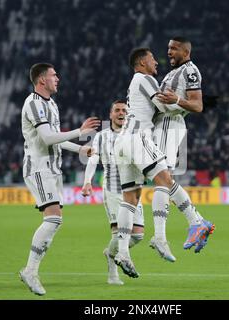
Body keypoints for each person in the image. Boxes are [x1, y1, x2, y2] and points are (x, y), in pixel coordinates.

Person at [113, 48, 213, 278]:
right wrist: (189, 103)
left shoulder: (137, 80)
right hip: (138, 137)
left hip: (122, 142)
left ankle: (123, 253)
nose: (156, 62)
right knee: (164, 179)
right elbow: (164, 106)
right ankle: (163, 235)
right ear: (140, 63)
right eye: (151, 59)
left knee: (130, 198)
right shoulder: (145, 78)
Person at [19, 62, 100, 295]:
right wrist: (80, 132)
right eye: (54, 75)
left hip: (53, 169)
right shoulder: (34, 103)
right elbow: (46, 139)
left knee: (55, 221)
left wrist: (79, 149)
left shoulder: (51, 104)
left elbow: (55, 137)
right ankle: (30, 271)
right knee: (53, 219)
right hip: (38, 167)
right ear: (42, 80)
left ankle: (31, 270)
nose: (58, 78)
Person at [154, 37, 215, 252]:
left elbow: (198, 105)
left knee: (161, 178)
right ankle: (197, 222)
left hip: (169, 126)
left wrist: (177, 101)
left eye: (174, 48)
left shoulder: (190, 71)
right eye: (168, 47)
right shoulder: (173, 72)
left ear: (186, 51)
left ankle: (168, 233)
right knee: (163, 178)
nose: (169, 52)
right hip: (162, 126)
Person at [82, 100, 144, 285]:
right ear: (110, 115)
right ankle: (112, 275)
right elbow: (93, 159)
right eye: (117, 110)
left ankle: (110, 253)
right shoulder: (101, 136)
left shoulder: (135, 135)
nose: (120, 113)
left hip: (133, 190)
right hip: (113, 191)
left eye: (124, 110)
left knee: (138, 235)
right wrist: (87, 182)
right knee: (118, 234)